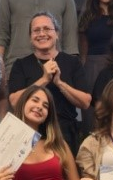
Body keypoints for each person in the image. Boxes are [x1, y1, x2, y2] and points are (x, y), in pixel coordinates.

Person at [8, 11, 88, 151]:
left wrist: (60, 83)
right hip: (30, 131)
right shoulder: (21, 64)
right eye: (36, 30)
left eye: (47, 29)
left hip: (65, 132)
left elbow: (85, 102)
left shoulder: (73, 62)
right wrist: (44, 80)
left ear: (57, 34)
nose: (42, 34)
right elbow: (15, 102)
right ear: (30, 37)